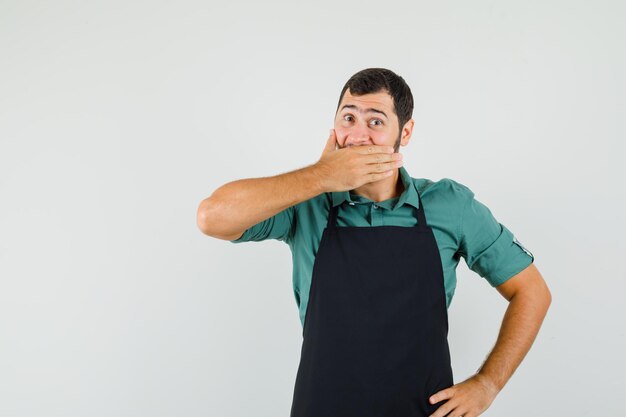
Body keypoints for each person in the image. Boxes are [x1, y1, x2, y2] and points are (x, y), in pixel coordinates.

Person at [197, 67, 551, 417]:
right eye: (348, 118)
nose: (358, 135)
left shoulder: (450, 205)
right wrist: (321, 176)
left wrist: (487, 384)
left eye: (376, 122)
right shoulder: (304, 202)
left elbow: (531, 291)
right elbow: (211, 217)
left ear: (406, 132)